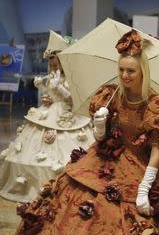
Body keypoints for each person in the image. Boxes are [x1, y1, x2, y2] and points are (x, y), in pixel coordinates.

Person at [0, 29, 159, 235]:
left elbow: (156, 151)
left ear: (143, 72)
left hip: (141, 164)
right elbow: (100, 139)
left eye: (131, 71)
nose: (125, 76)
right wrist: (100, 126)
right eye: (121, 70)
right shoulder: (111, 95)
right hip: (106, 157)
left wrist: (144, 187)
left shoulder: (156, 105)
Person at [0, 36, 94, 203]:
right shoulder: (52, 76)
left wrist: (60, 89)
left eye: (55, 60)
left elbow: (75, 99)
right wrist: (48, 97)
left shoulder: (72, 77)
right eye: (50, 60)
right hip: (49, 113)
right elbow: (51, 93)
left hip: (68, 115)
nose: (52, 64)